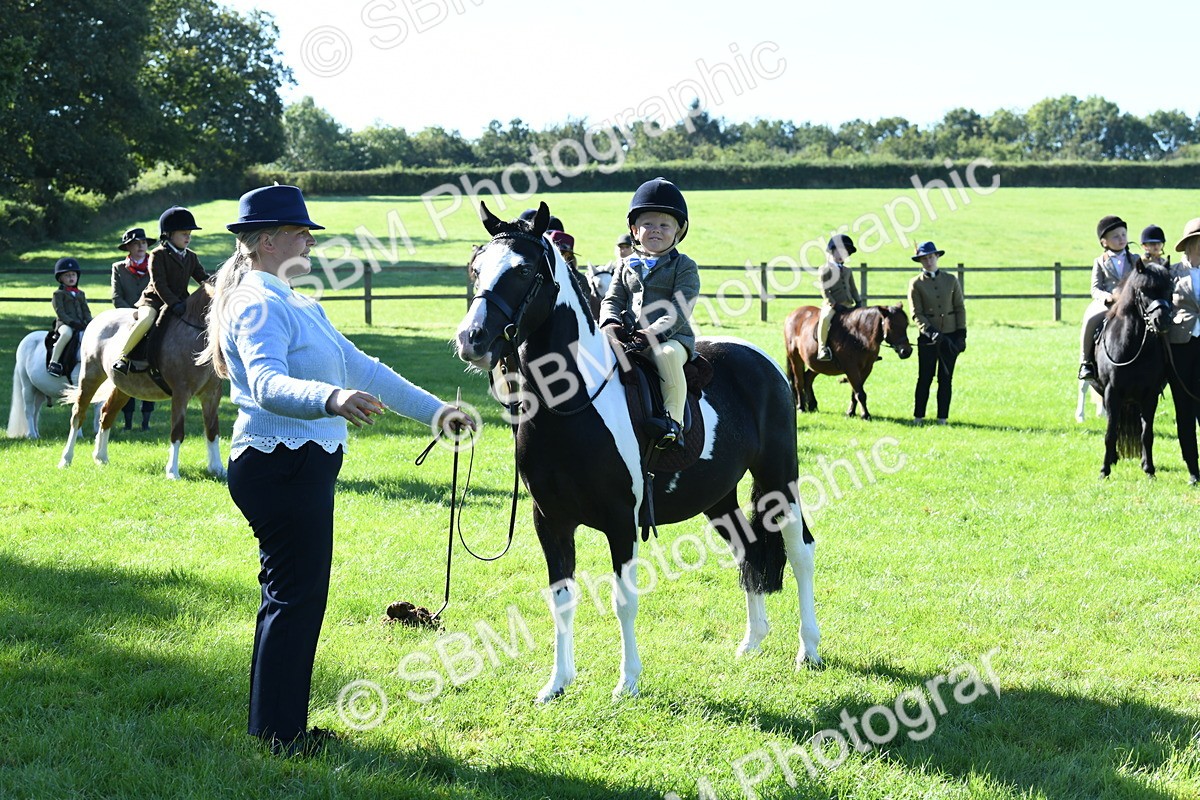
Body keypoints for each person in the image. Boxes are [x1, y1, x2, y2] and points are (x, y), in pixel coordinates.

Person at [199, 184, 475, 756]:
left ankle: (276, 729)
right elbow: (268, 383)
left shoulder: (299, 303)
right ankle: (280, 736)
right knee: (295, 599)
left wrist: (436, 413)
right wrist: (330, 398)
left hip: (299, 464)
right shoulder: (255, 303)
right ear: (268, 241)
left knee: (293, 597)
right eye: (301, 233)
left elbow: (365, 369)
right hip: (279, 463)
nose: (309, 241)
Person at [599, 177, 699, 449]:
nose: (656, 230)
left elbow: (679, 309)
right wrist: (609, 323)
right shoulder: (625, 265)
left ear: (678, 231)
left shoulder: (684, 266)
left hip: (671, 339)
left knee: (666, 355)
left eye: (665, 225)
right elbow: (612, 299)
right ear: (634, 230)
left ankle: (673, 423)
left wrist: (652, 333)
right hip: (628, 339)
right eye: (648, 224)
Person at [112, 206, 209, 374]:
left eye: (189, 234)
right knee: (147, 320)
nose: (188, 237)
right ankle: (123, 356)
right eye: (183, 233)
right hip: (154, 301)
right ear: (169, 234)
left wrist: (219, 284)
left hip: (181, 302)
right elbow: (159, 284)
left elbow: (203, 278)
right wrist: (174, 304)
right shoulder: (158, 254)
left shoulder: (191, 256)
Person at [907, 241, 966, 424]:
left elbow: (959, 307)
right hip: (928, 339)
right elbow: (917, 314)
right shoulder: (915, 284)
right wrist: (931, 332)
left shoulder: (951, 280)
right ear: (920, 261)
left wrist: (961, 334)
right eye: (924, 258)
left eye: (931, 257)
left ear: (937, 256)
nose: (929, 261)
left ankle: (942, 418)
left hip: (950, 336)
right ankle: (918, 417)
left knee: (946, 378)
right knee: (925, 377)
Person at [1079, 215, 1143, 382]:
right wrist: (1106, 297)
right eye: (1115, 236)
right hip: (1109, 304)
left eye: (1123, 234)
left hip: (1131, 302)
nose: (1121, 239)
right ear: (1104, 242)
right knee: (1090, 320)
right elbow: (1095, 288)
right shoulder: (1100, 261)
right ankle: (1086, 361)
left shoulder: (1135, 259)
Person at [110, 227, 156, 429]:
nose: (141, 246)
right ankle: (127, 420)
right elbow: (116, 296)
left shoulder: (154, 264)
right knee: (126, 371)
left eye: (143, 243)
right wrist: (132, 314)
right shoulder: (118, 268)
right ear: (128, 247)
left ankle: (146, 419)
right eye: (136, 243)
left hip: (152, 315)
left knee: (154, 362)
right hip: (128, 318)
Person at [815, 234, 864, 361]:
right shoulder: (825, 269)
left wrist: (859, 302)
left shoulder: (848, 270)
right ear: (832, 251)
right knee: (825, 318)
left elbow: (853, 288)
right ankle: (822, 348)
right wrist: (834, 304)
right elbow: (825, 290)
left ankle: (864, 349)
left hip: (848, 303)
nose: (843, 255)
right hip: (832, 305)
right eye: (840, 251)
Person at [47, 258, 92, 377]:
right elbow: (60, 312)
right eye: (67, 275)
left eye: (73, 275)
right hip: (65, 324)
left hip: (80, 323)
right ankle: (54, 362)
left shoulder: (80, 293)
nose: (71, 277)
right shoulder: (58, 294)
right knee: (67, 334)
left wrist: (90, 322)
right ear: (60, 278)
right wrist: (71, 323)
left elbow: (86, 310)